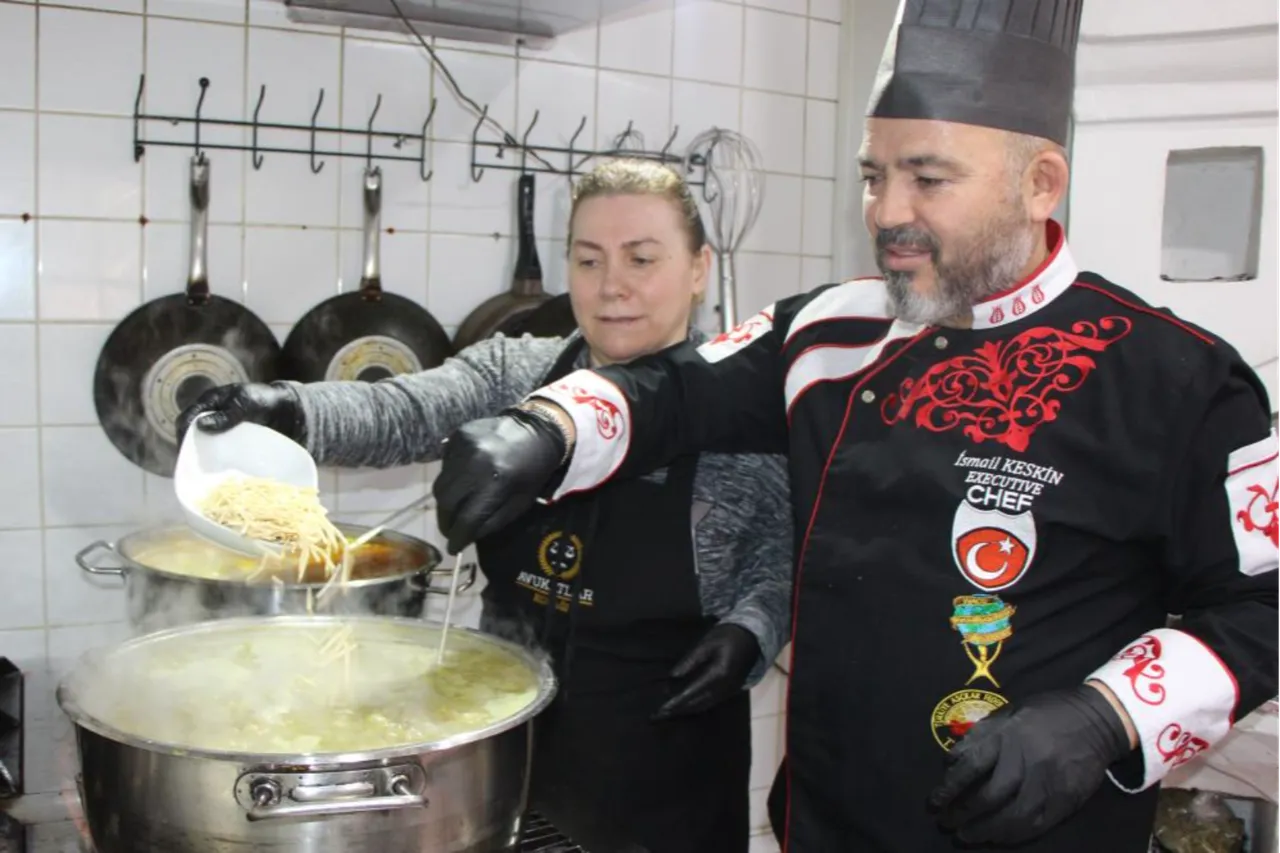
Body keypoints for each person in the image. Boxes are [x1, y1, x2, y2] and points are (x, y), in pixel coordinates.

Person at [426, 2, 1280, 851]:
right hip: (828, 824)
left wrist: (1107, 717)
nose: (884, 210)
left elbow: (1263, 605)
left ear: (1040, 182)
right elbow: (676, 392)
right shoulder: (833, 331)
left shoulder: (1177, 379)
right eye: (873, 175)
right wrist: (549, 427)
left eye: (927, 177)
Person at [176, 159, 793, 853]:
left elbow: (779, 562)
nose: (612, 286)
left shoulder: (742, 415)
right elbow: (403, 409)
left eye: (642, 258)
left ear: (699, 267)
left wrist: (751, 633)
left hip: (665, 762)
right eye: (589, 260)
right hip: (508, 741)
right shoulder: (519, 374)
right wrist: (288, 407)